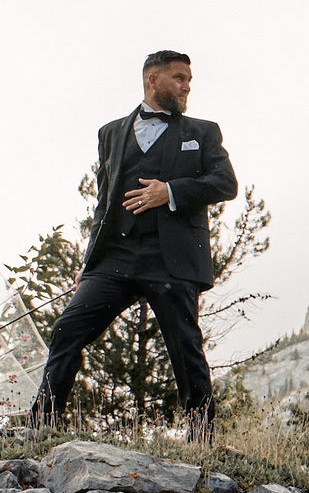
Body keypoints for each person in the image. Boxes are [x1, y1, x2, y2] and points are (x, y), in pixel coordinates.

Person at [31, 50, 240, 436]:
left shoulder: (203, 132)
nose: (187, 86)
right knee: (67, 329)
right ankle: (41, 425)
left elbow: (226, 184)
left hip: (172, 261)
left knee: (185, 350)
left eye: (189, 80)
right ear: (152, 80)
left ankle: (202, 439)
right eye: (179, 78)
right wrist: (88, 266)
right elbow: (103, 204)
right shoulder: (110, 134)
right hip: (116, 258)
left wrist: (171, 191)